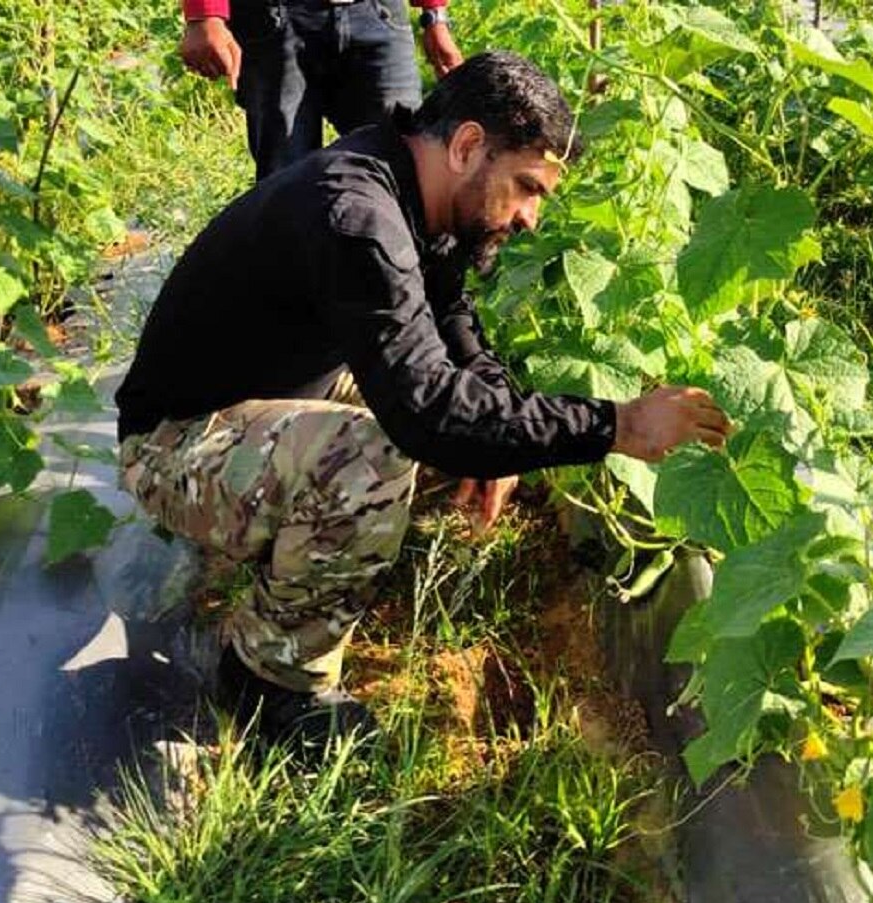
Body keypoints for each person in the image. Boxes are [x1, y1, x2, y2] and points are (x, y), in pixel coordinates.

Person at [115, 52, 731, 746]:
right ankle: (269, 678)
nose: (529, 217)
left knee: (481, 427)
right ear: (468, 146)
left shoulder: (411, 178)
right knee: (369, 458)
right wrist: (618, 426)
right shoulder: (357, 216)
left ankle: (313, 557)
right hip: (174, 443)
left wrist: (495, 422)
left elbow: (450, 313)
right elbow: (430, 414)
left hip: (278, 394)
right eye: (526, 187)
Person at [179, 0, 463, 180]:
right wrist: (204, 14)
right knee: (287, 180)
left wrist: (434, 14)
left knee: (406, 166)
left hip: (377, 14)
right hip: (272, 17)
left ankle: (395, 273)